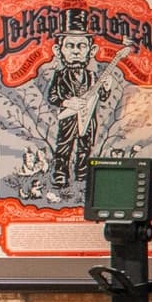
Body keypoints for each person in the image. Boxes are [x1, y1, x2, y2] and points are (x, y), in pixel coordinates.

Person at [35, 19, 131, 191]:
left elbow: (100, 97)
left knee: (85, 147)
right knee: (64, 147)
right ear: (58, 50)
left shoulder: (92, 76)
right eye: (70, 46)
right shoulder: (61, 75)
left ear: (91, 50)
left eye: (81, 46)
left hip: (89, 118)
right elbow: (53, 96)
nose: (76, 51)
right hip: (69, 118)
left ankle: (83, 174)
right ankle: (60, 175)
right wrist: (67, 101)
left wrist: (106, 88)